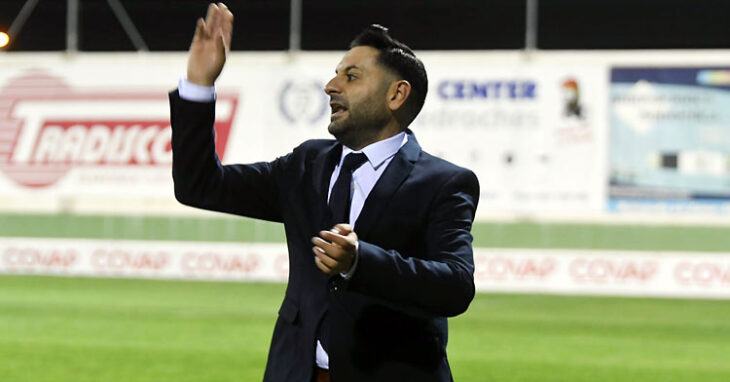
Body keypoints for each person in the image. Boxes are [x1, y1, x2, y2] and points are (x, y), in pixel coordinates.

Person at [169, 3, 480, 381]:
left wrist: (360, 261)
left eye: (351, 76)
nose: (331, 86)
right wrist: (199, 86)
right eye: (335, 75)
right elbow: (199, 185)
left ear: (397, 94)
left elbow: (456, 285)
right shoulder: (306, 164)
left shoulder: (444, 182)